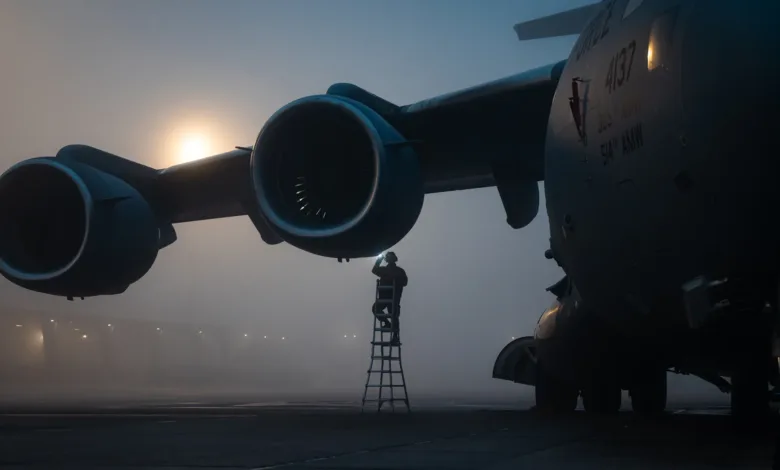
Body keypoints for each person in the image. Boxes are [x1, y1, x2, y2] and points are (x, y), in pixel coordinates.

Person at [371, 252, 408, 345]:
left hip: (393, 298)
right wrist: (379, 260)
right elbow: (374, 270)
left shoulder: (398, 271)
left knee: (393, 315)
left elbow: (404, 282)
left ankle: (395, 336)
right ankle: (388, 324)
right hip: (385, 298)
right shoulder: (386, 270)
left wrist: (395, 279)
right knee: (377, 309)